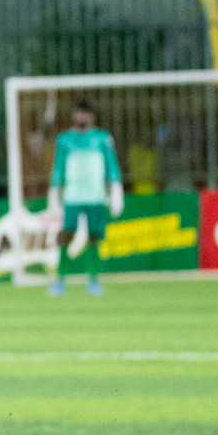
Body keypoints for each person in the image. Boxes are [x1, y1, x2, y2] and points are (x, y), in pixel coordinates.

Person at [48, 99, 123, 296]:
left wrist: (116, 190)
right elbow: (58, 167)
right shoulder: (65, 139)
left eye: (84, 113)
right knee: (65, 236)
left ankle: (93, 280)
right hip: (72, 196)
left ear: (91, 116)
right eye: (78, 113)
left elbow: (111, 165)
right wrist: (54, 192)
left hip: (95, 195)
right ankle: (60, 279)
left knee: (94, 237)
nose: (81, 117)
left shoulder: (102, 138)